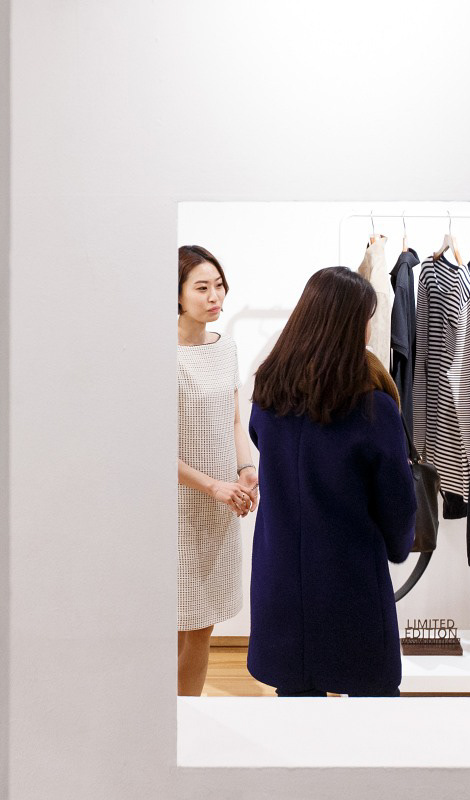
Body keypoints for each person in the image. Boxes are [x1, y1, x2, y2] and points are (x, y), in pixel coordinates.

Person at [247, 266, 417, 697]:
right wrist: (399, 546)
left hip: (281, 574)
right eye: (367, 318)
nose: (370, 328)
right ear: (350, 325)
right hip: (349, 581)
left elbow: (262, 444)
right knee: (373, 706)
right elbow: (397, 499)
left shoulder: (269, 393)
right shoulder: (373, 406)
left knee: (297, 705)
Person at [176, 245, 258, 696]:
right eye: (202, 287)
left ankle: (187, 717)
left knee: (202, 626)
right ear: (177, 293)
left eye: (219, 285)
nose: (215, 297)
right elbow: (152, 448)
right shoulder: (161, 354)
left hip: (221, 503)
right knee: (173, 624)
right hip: (178, 508)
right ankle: (161, 723)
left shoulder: (225, 347)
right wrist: (213, 486)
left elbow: (234, 418)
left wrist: (246, 469)